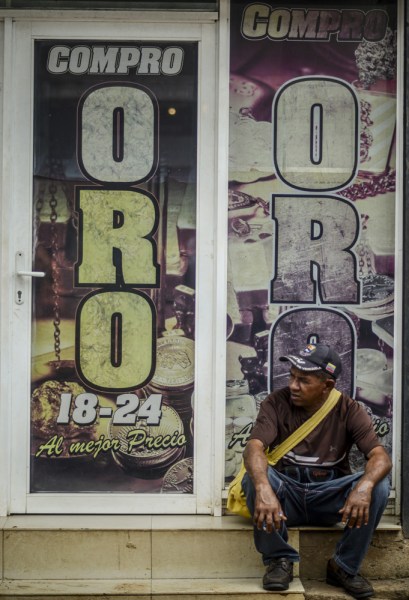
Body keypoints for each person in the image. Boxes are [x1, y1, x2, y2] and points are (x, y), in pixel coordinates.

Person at [242, 342, 392, 599]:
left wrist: (364, 488)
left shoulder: (350, 409)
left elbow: (380, 457)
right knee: (254, 477)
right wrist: (264, 487)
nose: (293, 385)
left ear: (327, 386)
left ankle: (343, 567)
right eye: (291, 376)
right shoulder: (276, 402)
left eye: (303, 380)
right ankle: (279, 560)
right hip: (285, 500)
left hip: (329, 499)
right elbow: (254, 448)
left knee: (379, 484)